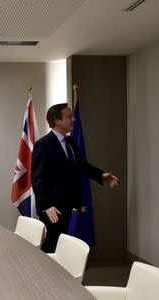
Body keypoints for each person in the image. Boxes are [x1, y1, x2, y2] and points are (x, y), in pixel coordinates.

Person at [31, 103, 118, 253]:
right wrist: (47, 205)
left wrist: (101, 175)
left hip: (70, 205)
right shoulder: (43, 145)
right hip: (52, 208)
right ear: (57, 120)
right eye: (69, 116)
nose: (74, 119)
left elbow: (82, 165)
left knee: (63, 244)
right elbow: (37, 180)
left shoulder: (71, 142)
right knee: (53, 243)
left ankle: (59, 275)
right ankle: (41, 273)